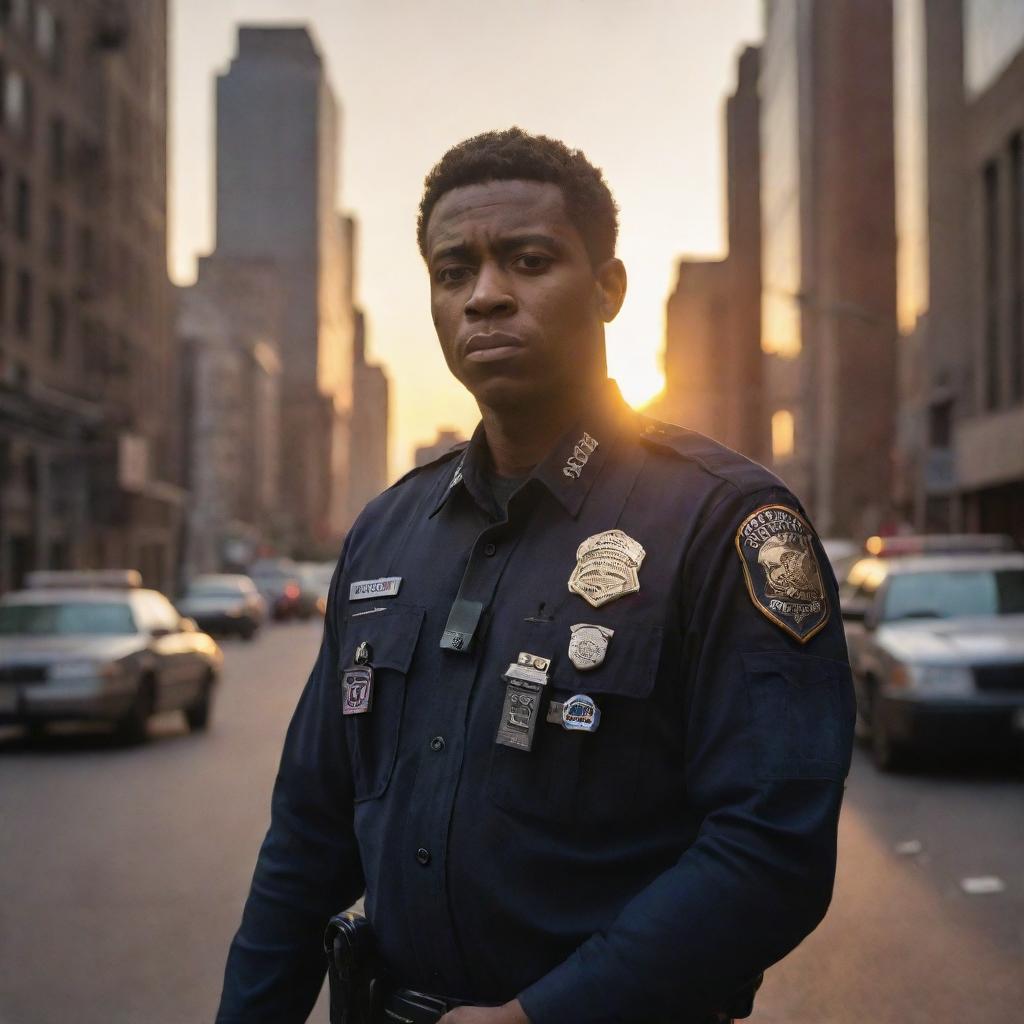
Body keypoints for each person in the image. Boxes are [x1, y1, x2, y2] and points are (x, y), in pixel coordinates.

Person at [216, 127, 855, 1024]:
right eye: (453, 273)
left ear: (607, 290)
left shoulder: (726, 523)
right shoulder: (386, 532)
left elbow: (771, 848)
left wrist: (544, 1018)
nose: (484, 298)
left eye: (527, 261)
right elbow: (310, 835)